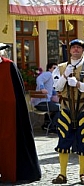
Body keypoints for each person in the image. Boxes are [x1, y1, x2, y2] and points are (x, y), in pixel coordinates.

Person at [52, 39, 84, 184]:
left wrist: (79, 84)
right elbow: (57, 87)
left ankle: (82, 174)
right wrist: (65, 76)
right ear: (69, 50)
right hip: (66, 108)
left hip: (83, 108)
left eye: (79, 48)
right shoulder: (60, 68)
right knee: (63, 140)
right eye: (73, 47)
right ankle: (62, 174)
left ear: (83, 50)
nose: (75, 50)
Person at [0, 44, 41, 183]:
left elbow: (17, 94)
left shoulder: (9, 66)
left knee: (10, 141)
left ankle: (13, 172)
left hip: (9, 113)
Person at [32, 62, 60, 132]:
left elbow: (52, 90)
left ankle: (47, 124)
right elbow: (39, 79)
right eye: (54, 68)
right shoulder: (48, 74)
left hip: (44, 102)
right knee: (61, 108)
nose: (56, 70)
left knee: (57, 106)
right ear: (49, 69)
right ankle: (52, 126)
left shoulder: (52, 78)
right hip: (42, 103)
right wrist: (42, 88)